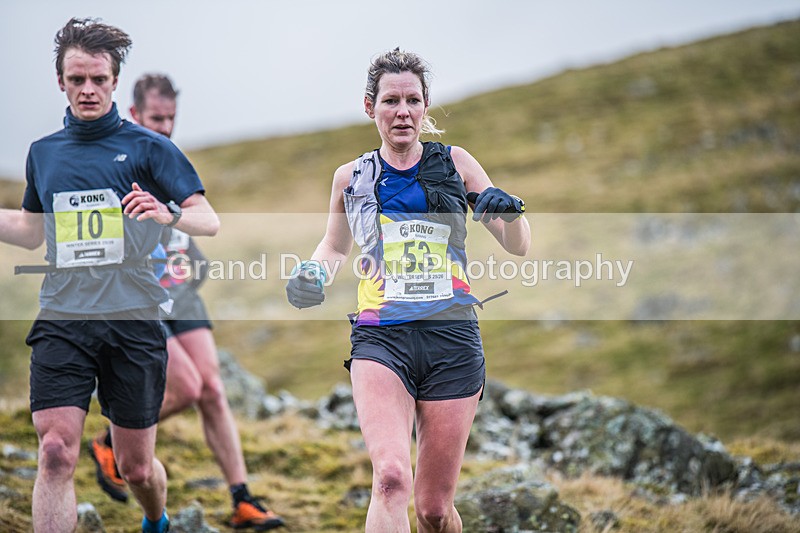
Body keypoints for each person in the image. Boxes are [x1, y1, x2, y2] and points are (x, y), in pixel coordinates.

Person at [285, 48, 531, 532]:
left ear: (425, 107)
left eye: (413, 100)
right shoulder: (351, 178)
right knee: (392, 479)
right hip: (382, 337)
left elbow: (518, 246)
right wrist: (310, 276)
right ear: (369, 106)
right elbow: (334, 247)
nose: (403, 111)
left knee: (434, 510)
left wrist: (512, 214)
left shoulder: (456, 164)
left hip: (452, 340)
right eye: (391, 101)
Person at [0, 18, 220, 533]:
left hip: (132, 320)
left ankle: (156, 518)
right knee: (55, 452)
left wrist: (165, 212)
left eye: (98, 79)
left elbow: (208, 219)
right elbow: (32, 232)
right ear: (61, 82)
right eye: (77, 80)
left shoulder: (150, 148)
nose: (88, 90)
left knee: (135, 467)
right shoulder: (44, 154)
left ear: (115, 80)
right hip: (63, 316)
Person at [88, 73, 285, 531]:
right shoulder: (118, 162)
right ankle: (110, 441)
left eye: (172, 119)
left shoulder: (169, 159)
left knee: (213, 388)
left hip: (181, 291)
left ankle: (242, 500)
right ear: (134, 113)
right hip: (141, 294)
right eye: (157, 118)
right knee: (188, 386)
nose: (166, 128)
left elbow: (195, 217)